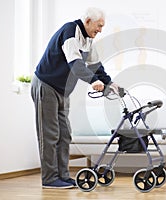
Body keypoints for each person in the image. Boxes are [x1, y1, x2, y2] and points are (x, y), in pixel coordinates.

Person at [31, 7, 119, 189]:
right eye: (99, 26)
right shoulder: (69, 31)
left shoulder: (88, 40)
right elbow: (76, 65)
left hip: (63, 91)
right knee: (50, 134)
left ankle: (63, 176)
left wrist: (110, 83)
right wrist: (93, 81)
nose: (100, 30)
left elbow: (96, 66)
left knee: (65, 134)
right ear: (87, 21)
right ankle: (49, 179)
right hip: (46, 85)